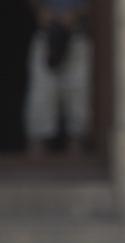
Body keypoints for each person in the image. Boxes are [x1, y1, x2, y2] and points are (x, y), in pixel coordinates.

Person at [25, 0, 91, 157]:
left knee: (78, 93)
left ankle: (76, 147)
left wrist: (76, 14)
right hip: (46, 37)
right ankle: (38, 149)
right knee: (42, 94)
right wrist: (43, 12)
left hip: (76, 37)